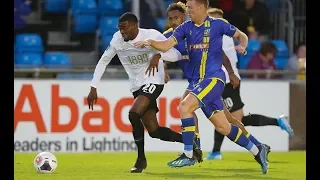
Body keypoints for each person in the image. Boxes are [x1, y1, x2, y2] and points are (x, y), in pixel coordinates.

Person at [134, 0, 269, 174]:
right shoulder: (185, 28)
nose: (188, 10)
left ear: (200, 7)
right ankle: (258, 150)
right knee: (223, 126)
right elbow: (166, 45)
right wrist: (151, 43)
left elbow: (242, 35)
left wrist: (242, 45)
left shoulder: (218, 24)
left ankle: (189, 153)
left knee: (184, 106)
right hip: (198, 82)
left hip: (213, 79)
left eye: (190, 7)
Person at [87, 12, 202, 173]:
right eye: (120, 28)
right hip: (136, 86)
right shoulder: (117, 40)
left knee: (133, 114)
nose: (122, 32)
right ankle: (189, 142)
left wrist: (159, 55)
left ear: (135, 26)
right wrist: (93, 87)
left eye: (125, 28)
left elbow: (176, 54)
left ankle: (141, 159)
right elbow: (103, 61)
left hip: (154, 81)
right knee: (154, 131)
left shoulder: (151, 35)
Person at [205, 8, 294, 161]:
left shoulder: (219, 36)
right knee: (225, 118)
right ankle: (216, 152)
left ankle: (262, 139)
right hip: (224, 81)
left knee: (231, 119)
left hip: (226, 82)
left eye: (211, 19)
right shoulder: (224, 35)